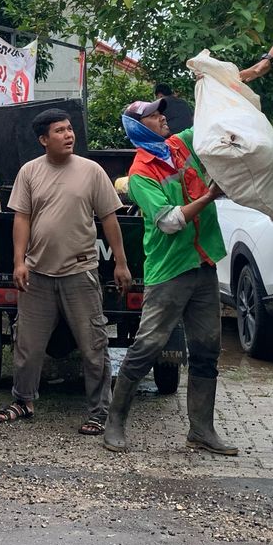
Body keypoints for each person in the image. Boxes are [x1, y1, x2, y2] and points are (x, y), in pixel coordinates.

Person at [102, 98, 237, 456]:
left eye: (160, 112)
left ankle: (202, 431)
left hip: (203, 263)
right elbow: (170, 222)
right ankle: (114, 422)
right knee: (147, 346)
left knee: (207, 348)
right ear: (138, 127)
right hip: (170, 270)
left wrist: (221, 87)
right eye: (153, 115)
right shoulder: (142, 173)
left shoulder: (179, 145)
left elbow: (209, 124)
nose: (162, 117)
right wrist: (209, 196)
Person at [0, 107, 132, 436]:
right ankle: (23, 400)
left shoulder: (91, 171)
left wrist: (122, 263)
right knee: (27, 343)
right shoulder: (29, 173)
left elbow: (109, 218)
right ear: (43, 139)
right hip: (38, 275)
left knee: (93, 346)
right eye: (60, 131)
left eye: (70, 129)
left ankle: (100, 412)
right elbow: (21, 219)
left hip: (80, 273)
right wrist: (18, 261)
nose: (69, 135)